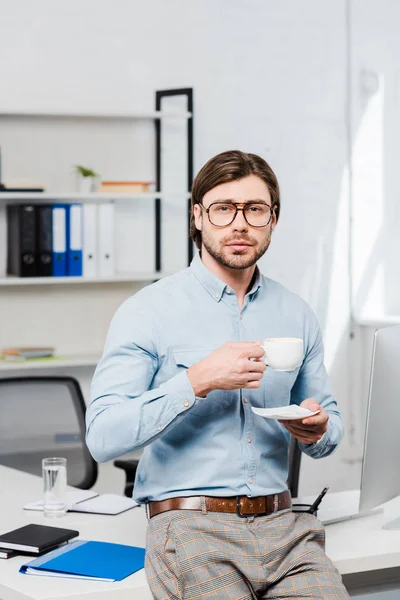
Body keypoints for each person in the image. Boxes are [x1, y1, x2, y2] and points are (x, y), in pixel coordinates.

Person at [86, 150, 349, 599]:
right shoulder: (147, 311)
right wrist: (196, 380)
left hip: (285, 527)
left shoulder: (296, 313)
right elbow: (102, 438)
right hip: (190, 528)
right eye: (223, 209)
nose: (239, 223)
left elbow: (329, 424)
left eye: (255, 209)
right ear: (198, 216)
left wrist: (317, 428)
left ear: (273, 218)